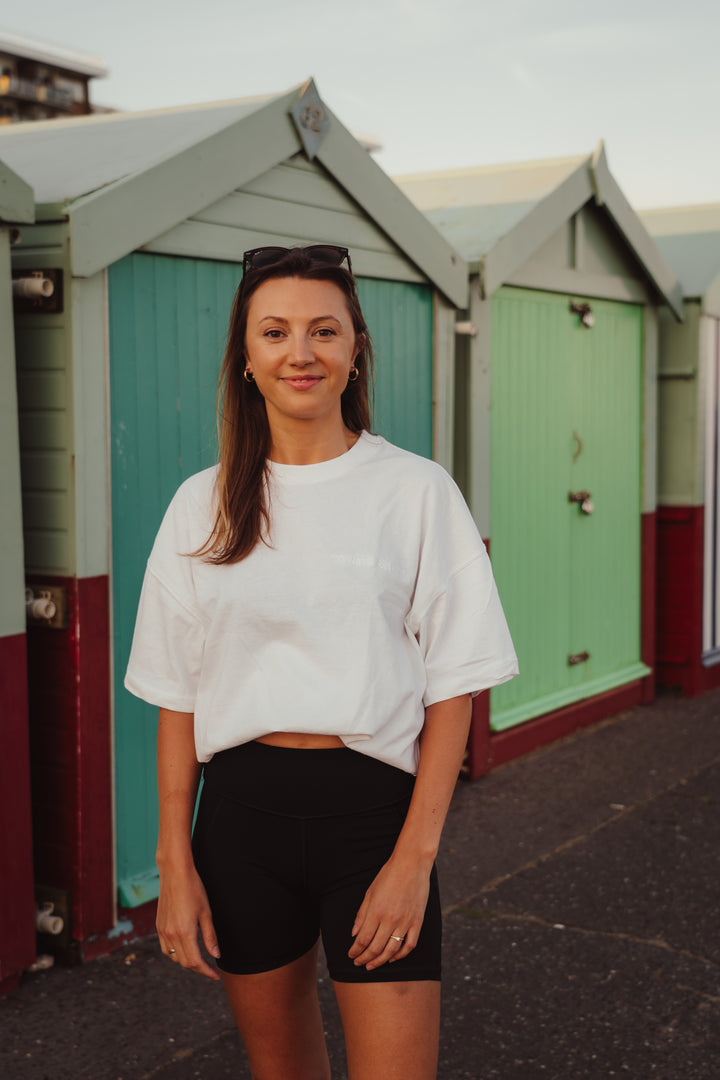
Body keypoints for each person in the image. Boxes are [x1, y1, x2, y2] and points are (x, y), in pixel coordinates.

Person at [124, 244, 518, 1080]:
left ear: (355, 349)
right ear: (246, 357)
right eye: (275, 331)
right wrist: (174, 863)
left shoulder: (415, 493)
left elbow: (454, 688)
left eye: (322, 330)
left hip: (373, 824)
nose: (299, 352)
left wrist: (414, 862)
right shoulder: (200, 502)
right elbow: (176, 692)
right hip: (240, 827)